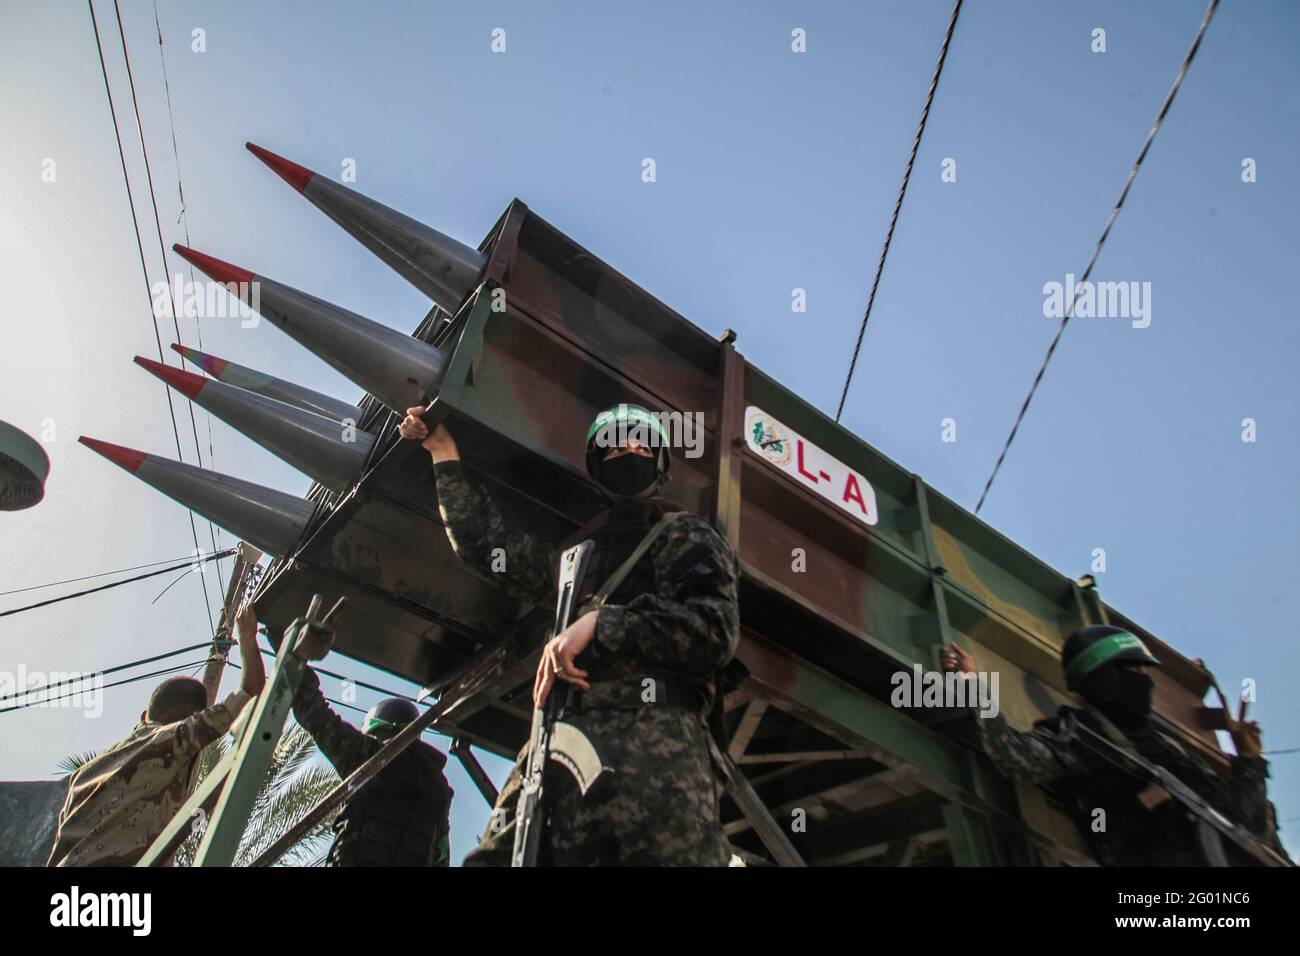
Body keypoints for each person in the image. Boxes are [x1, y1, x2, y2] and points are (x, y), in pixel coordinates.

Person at [398, 402, 740, 865]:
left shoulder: (685, 534)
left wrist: (603, 623)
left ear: (660, 461)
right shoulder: (576, 560)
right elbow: (489, 546)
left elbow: (712, 631)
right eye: (615, 446)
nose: (628, 450)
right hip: (556, 745)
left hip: (656, 751)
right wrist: (442, 453)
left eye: (639, 442)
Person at [939, 625, 1286, 865]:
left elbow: (1250, 825)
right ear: (1108, 676)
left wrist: (1248, 762)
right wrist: (972, 685)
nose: (1145, 682)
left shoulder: (1170, 752)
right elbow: (1012, 755)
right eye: (1136, 672)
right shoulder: (1083, 740)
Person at [47, 606, 265, 867]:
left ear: (143, 717)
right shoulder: (176, 740)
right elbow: (251, 690)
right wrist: (247, 635)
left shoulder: (83, 775)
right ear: (192, 717)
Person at [290, 666, 454, 866]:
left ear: (375, 730)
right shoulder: (438, 786)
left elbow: (313, 711)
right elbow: (441, 856)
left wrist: (290, 651)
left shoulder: (369, 755)